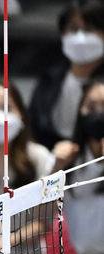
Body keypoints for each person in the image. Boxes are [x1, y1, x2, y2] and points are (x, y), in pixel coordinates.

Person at [30, 1, 104, 151]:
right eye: (73, 29)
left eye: (89, 29)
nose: (80, 37)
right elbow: (34, 127)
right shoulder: (49, 79)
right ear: (63, 34)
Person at [55, 80, 104, 254]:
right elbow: (44, 212)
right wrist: (56, 166)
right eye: (91, 106)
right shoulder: (67, 157)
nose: (99, 112)